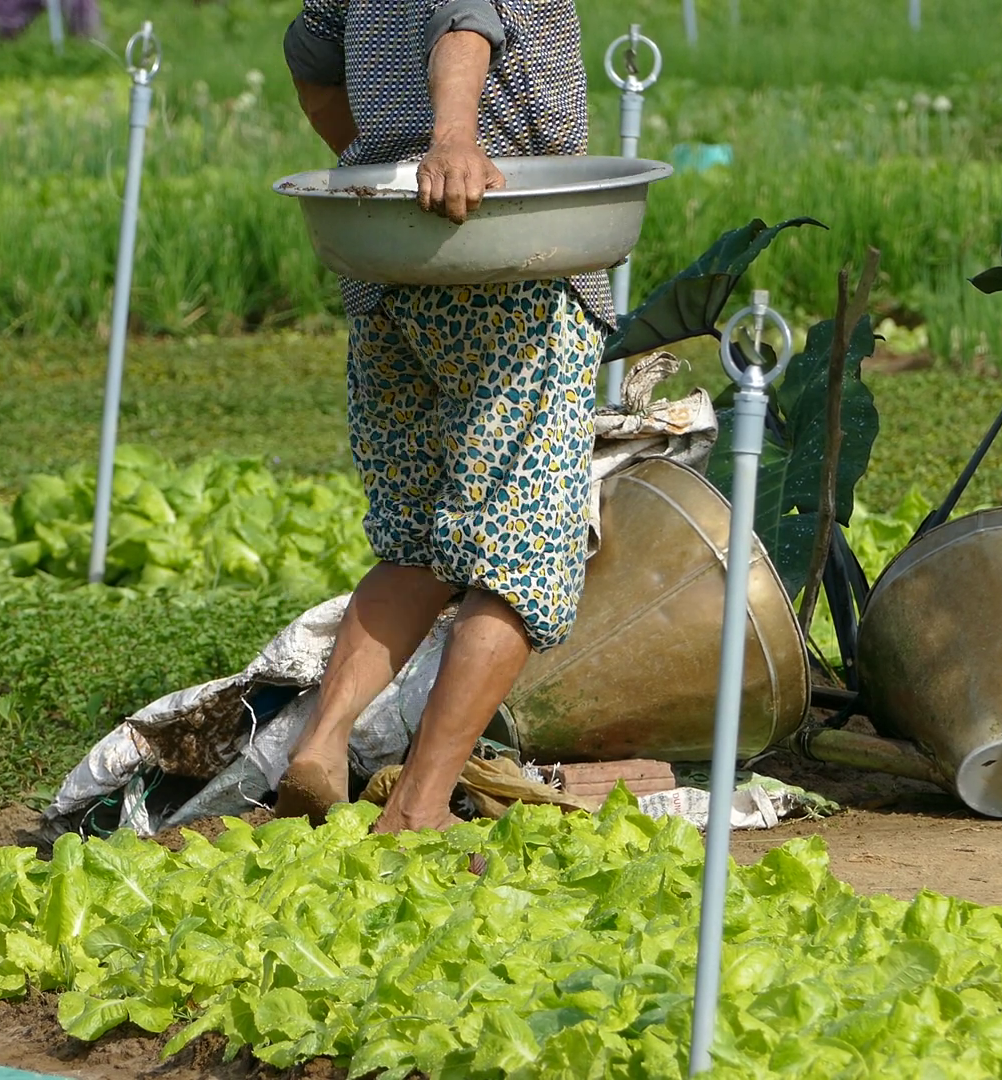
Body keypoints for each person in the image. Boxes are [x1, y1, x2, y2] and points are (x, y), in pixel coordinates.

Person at [276, 0, 612, 833]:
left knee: (420, 544)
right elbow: (466, 21)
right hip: (506, 266)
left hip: (390, 271)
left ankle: (321, 743)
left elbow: (310, 56)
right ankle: (418, 807)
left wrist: (384, 164)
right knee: (519, 559)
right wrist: (452, 139)